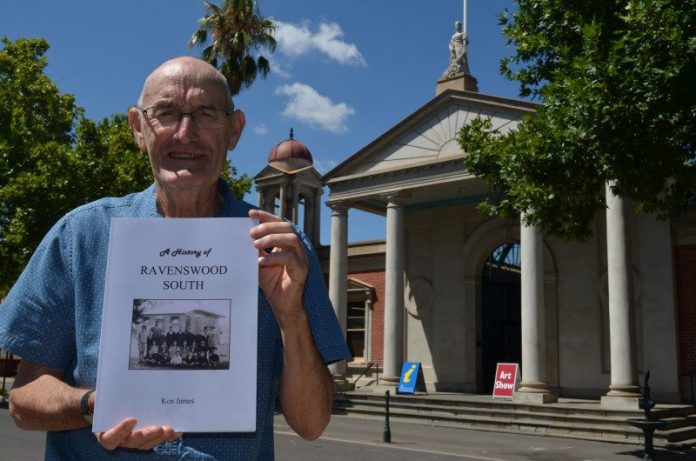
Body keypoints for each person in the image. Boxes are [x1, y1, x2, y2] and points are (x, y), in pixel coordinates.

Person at [0, 56, 350, 460]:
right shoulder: (80, 236)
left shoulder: (282, 250)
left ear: (234, 130)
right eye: (166, 113)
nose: (186, 134)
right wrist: (93, 406)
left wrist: (291, 316)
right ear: (138, 128)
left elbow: (311, 424)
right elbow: (24, 401)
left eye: (206, 114)